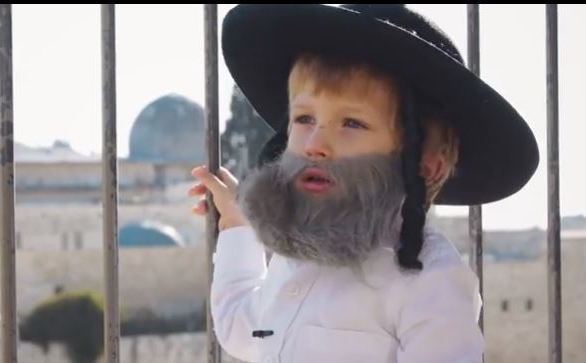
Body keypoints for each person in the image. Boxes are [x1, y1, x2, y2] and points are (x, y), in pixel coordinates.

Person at [188, 4, 539, 363]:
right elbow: (244, 331)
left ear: (424, 164)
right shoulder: (295, 259)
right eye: (305, 118)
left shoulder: (431, 280)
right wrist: (235, 225)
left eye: (352, 123)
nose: (315, 145)